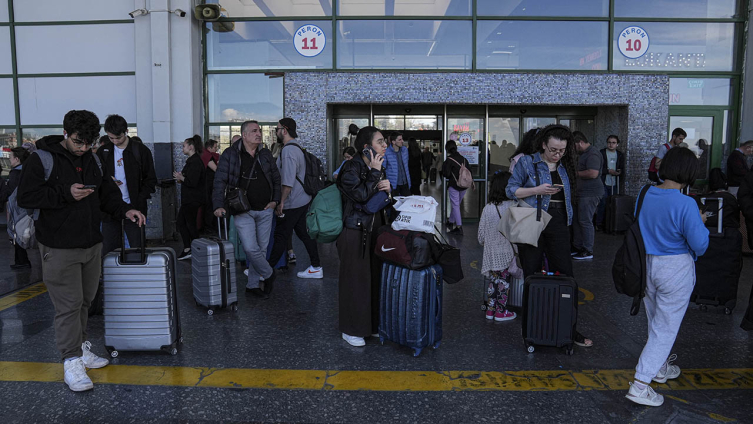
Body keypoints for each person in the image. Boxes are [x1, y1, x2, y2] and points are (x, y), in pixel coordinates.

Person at [16, 110, 146, 392]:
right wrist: (66, 193)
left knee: (86, 302)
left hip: (91, 243)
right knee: (68, 306)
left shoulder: (94, 159)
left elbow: (106, 194)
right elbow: (26, 196)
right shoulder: (42, 159)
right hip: (58, 246)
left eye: (89, 142)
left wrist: (126, 210)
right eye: (78, 142)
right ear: (66, 133)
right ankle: (71, 361)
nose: (84, 147)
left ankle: (81, 347)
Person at [625, 146, 709, 407]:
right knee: (665, 328)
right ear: (689, 173)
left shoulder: (644, 193)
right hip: (675, 268)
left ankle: (659, 367)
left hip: (646, 264)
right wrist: (701, 221)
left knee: (656, 322)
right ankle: (640, 384)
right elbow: (700, 245)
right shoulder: (686, 203)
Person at [505, 124, 593, 348]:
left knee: (567, 274)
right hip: (532, 219)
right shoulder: (527, 161)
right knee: (531, 273)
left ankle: (569, 328)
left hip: (559, 221)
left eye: (562, 150)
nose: (557, 154)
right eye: (553, 149)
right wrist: (537, 190)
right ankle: (533, 327)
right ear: (544, 144)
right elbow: (510, 189)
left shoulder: (566, 165)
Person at [336, 126, 391, 347]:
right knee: (355, 282)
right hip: (354, 232)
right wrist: (377, 175)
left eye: (385, 141)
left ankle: (371, 325)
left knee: (374, 279)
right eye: (380, 142)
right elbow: (359, 195)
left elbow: (377, 199)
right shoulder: (350, 168)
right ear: (367, 147)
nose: (385, 145)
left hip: (374, 230)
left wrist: (388, 189)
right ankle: (351, 329)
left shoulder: (376, 166)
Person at [214, 120, 281, 298]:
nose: (258, 134)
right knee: (251, 249)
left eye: (259, 130)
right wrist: (218, 205)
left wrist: (275, 201)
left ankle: (252, 286)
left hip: (266, 209)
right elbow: (220, 181)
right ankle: (268, 274)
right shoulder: (230, 154)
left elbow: (276, 178)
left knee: (261, 249)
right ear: (244, 135)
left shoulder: (265, 153)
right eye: (254, 131)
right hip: (242, 209)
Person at [268, 118, 323, 279]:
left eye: (277, 129)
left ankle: (265, 271)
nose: (276, 132)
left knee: (281, 235)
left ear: (284, 130)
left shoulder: (289, 151)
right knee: (303, 234)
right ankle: (316, 266)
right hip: (302, 199)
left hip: (293, 201)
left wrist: (281, 202)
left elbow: (288, 182)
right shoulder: (295, 147)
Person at [97, 115, 156, 256]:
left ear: (126, 131)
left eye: (118, 137)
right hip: (110, 209)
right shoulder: (103, 152)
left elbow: (151, 180)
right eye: (111, 138)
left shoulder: (140, 151)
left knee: (137, 249)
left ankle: (135, 275)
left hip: (135, 208)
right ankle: (113, 277)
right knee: (109, 252)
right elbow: (97, 180)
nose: (115, 141)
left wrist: (140, 199)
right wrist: (108, 181)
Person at [477, 171, 522, 322]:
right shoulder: (513, 206)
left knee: (493, 282)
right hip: (506, 252)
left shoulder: (487, 208)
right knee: (503, 282)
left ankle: (490, 310)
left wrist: (491, 242)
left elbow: (481, 236)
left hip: (490, 253)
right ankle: (501, 312)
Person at [571, 131, 602, 260]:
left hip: (590, 194)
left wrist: (575, 174)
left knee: (585, 221)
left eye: (574, 146)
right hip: (582, 193)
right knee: (578, 221)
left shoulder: (593, 153)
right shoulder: (585, 153)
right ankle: (578, 247)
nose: (573, 149)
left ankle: (588, 250)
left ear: (580, 143)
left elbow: (593, 173)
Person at [174, 135, 206, 260]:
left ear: (191, 147)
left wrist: (181, 178)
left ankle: (194, 248)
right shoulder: (192, 161)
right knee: (183, 222)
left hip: (192, 199)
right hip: (189, 199)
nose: (182, 148)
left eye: (184, 146)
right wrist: (181, 179)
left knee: (188, 223)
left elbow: (193, 182)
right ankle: (190, 248)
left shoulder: (195, 162)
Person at [0, 146, 32, 269]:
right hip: (27, 209)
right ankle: (21, 260)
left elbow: (11, 193)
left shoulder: (15, 174)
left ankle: (22, 261)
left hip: (18, 210)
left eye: (11, 158)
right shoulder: (29, 171)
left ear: (17, 159)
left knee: (16, 234)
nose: (9, 161)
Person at [596, 135, 625, 230]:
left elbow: (622, 167)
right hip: (603, 181)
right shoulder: (602, 153)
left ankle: (611, 223)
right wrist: (608, 171)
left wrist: (619, 172)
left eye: (613, 142)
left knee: (613, 202)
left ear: (617, 144)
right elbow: (598, 168)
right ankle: (599, 223)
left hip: (614, 182)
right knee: (603, 202)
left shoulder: (620, 154)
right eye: (609, 142)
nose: (611, 144)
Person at [443, 139, 471, 234]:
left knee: (455, 205)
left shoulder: (449, 160)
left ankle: (459, 227)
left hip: (454, 185)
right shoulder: (464, 159)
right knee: (456, 205)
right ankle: (451, 222)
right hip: (464, 185)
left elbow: (446, 174)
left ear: (447, 149)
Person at [383, 131, 411, 197]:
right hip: (393, 184)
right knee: (394, 204)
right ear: (393, 142)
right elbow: (383, 168)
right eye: (400, 140)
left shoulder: (405, 150)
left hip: (405, 183)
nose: (402, 141)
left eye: (402, 139)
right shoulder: (386, 152)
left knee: (406, 204)